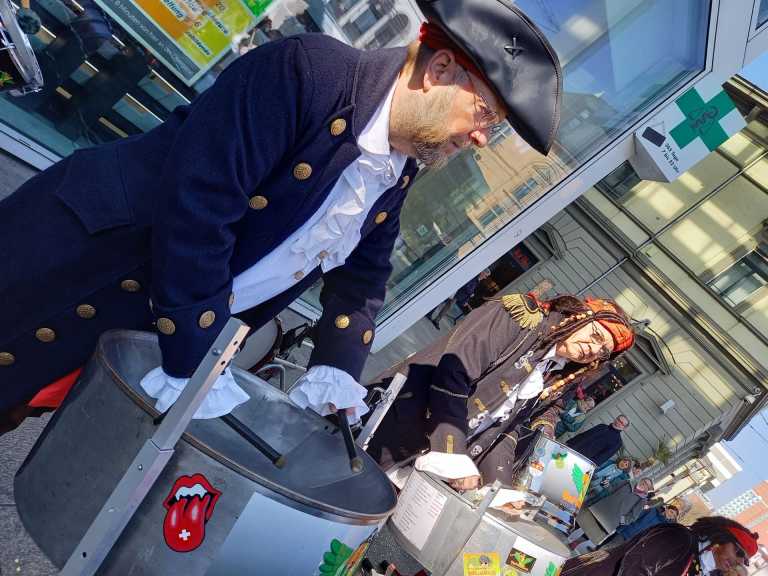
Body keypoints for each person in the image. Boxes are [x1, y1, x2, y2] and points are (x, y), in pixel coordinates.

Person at [0, 1, 563, 431]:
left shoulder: (397, 168)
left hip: (137, 315)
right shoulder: (309, 71)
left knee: (17, 402)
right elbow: (201, 204)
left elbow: (364, 275)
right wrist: (195, 350)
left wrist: (338, 364)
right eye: (485, 113)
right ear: (438, 69)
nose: (482, 137)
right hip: (79, 264)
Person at [366, 292, 635, 490]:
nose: (593, 349)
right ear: (581, 316)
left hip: (421, 463)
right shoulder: (520, 318)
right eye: (596, 335)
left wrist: (500, 489)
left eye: (603, 351)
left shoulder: (553, 372)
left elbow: (504, 430)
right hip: (389, 429)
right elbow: (452, 376)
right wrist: (451, 450)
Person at [562, 516, 759, 576]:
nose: (738, 561)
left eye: (744, 560)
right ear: (721, 539)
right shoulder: (679, 538)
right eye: (738, 551)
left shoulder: (702, 569)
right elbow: (633, 570)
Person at [599, 504, 679, 549]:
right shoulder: (652, 510)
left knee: (611, 554)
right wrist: (621, 526)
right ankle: (592, 557)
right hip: (626, 533)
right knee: (607, 547)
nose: (671, 515)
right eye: (671, 512)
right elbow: (635, 517)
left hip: (633, 543)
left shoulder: (662, 527)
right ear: (666, 509)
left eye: (673, 516)